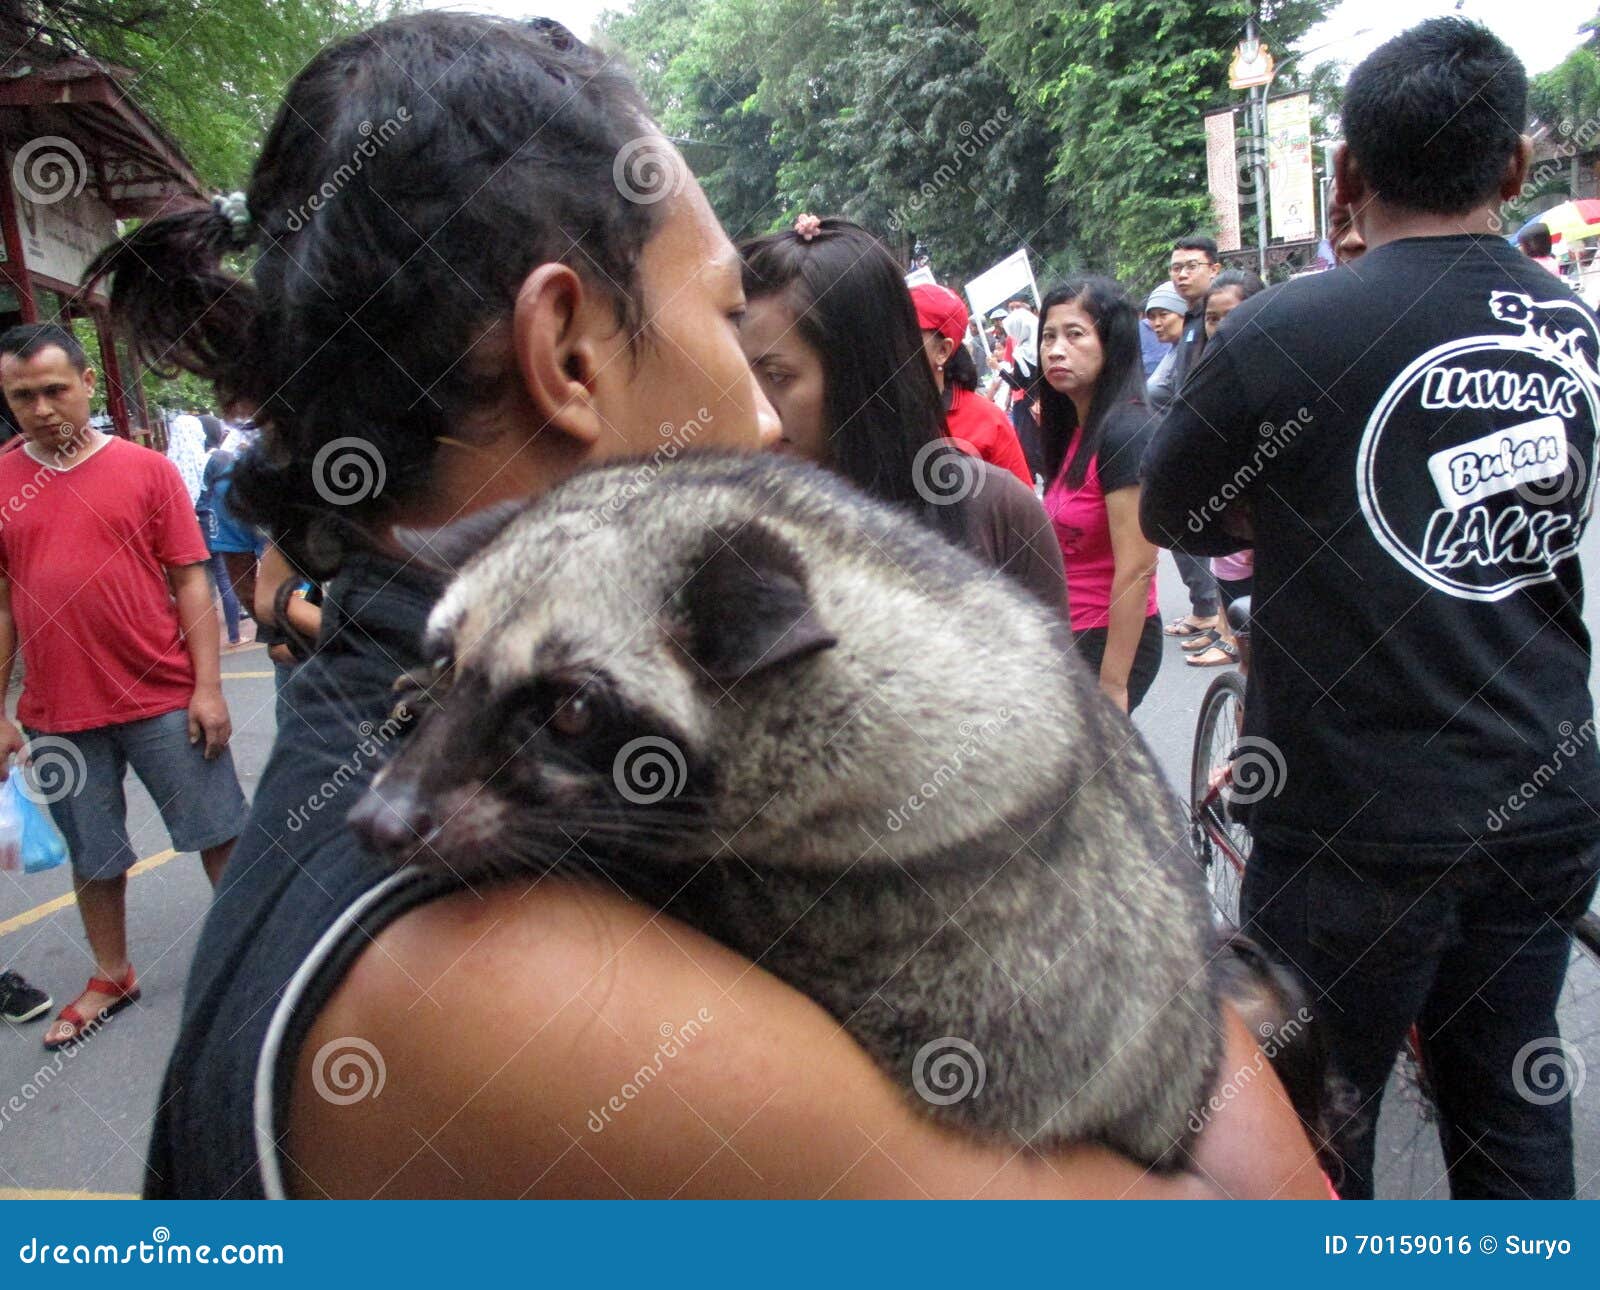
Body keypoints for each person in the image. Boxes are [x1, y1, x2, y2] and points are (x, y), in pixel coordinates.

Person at [91, 12, 1323, 1199]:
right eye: (728, 315)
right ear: (568, 351)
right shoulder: (487, 983)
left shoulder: (398, 714)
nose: (766, 410)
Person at [1141, 17, 1600, 1198]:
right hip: (1542, 790)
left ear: (1345, 176)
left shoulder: (1281, 333)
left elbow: (1176, 514)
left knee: (1312, 1137)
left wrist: (1305, 515)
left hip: (1351, 819)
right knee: (1508, 1105)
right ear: (1513, 168)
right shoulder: (1576, 335)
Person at [0, 323, 245, 1051]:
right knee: (94, 854)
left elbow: (190, 579)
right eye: (22, 396)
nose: (42, 408)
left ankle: (247, 961)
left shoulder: (147, 471)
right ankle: (112, 973)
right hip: (58, 712)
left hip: (164, 696)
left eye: (54, 390)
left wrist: (208, 687)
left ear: (85, 386)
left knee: (218, 832)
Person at [739, 219, 1065, 614]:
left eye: (777, 376)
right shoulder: (729, 531)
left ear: (862, 372)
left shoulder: (1000, 512)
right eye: (736, 374)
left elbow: (1050, 672)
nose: (753, 407)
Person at [1035, 277, 1162, 712]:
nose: (1055, 349)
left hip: (1109, 642)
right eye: (1048, 336)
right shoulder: (1074, 432)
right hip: (1068, 634)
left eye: (1074, 334)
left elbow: (1138, 568)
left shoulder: (1127, 432)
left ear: (1112, 343)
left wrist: (1113, 686)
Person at [1180, 269, 1266, 670]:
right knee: (1248, 664)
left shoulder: (1281, 374)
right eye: (1213, 318)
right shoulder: (1205, 380)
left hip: (1272, 539)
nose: (1220, 327)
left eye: (1231, 315)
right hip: (1228, 540)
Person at [908, 281, 1033, 487]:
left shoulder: (989, 422)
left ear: (942, 351)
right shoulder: (875, 414)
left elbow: (1022, 514)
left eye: (906, 333)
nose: (891, 343)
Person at [194, 417, 243, 647]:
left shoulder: (189, 461)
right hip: (215, 527)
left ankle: (206, 639)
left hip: (196, 530)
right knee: (225, 580)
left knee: (203, 585)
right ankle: (235, 635)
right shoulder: (220, 458)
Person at [1141, 283, 1187, 404]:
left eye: (1163, 315)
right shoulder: (1173, 349)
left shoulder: (1190, 354)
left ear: (1184, 314)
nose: (1156, 323)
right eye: (1152, 317)